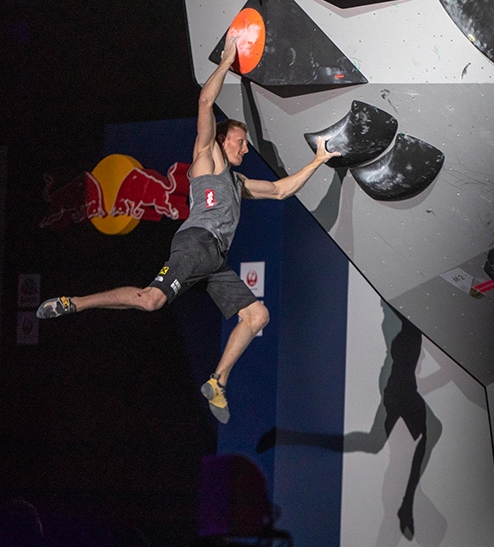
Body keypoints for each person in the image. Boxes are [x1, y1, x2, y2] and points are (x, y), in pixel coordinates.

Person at [36, 35, 341, 423]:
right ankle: (73, 303)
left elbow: (281, 190)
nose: (244, 150)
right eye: (240, 142)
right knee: (151, 301)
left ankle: (217, 381)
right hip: (196, 244)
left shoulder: (238, 182)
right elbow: (204, 102)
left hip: (214, 261)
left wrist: (317, 161)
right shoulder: (207, 158)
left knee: (257, 316)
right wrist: (228, 62)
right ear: (220, 139)